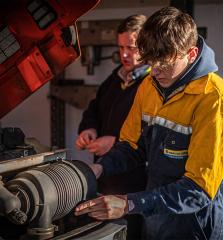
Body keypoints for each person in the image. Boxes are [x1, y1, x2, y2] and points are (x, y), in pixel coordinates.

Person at [75, 6, 223, 240]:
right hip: (153, 215)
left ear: (191, 54)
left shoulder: (215, 101)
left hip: (193, 224)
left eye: (165, 63)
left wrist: (128, 204)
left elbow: (198, 190)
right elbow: (132, 146)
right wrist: (98, 168)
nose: (156, 71)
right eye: (152, 62)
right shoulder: (149, 85)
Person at [76, 15, 149, 239]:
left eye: (131, 47)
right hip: (106, 177)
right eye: (120, 47)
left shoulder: (152, 85)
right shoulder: (115, 78)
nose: (124, 54)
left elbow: (150, 137)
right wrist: (89, 129)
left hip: (135, 185)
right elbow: (94, 109)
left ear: (147, 46)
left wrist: (114, 143)